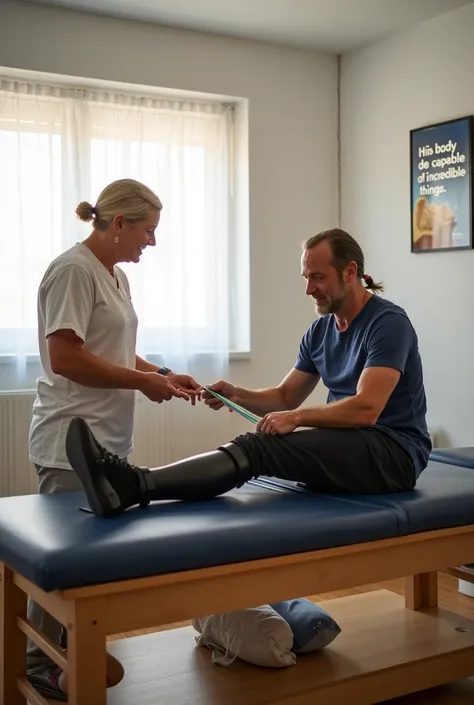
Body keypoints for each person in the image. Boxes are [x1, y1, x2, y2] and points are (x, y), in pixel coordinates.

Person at [64, 227, 432, 521]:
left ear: (350, 272)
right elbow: (285, 397)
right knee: (262, 444)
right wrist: (235, 394)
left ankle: (135, 484)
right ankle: (133, 484)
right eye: (305, 277)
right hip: (355, 446)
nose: (309, 289)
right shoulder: (320, 332)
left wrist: (296, 418)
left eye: (318, 277)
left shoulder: (387, 324)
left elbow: (367, 409)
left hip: (394, 453)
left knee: (260, 448)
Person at [27, 178, 201, 701]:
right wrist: (143, 384)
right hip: (68, 440)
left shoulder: (115, 276)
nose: (152, 241)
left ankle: (68, 652)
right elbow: (67, 357)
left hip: (108, 440)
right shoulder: (73, 271)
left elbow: (118, 351)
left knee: (89, 559)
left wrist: (165, 375)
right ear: (119, 223)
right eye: (147, 230)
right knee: (63, 560)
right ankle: (40, 663)